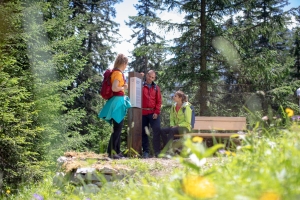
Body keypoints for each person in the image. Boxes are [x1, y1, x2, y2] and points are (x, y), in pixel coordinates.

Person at [98, 53, 131, 159]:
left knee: (118, 127)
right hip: (117, 101)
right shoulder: (118, 73)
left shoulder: (116, 72)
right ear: (124, 63)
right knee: (118, 127)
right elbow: (114, 88)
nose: (126, 66)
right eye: (126, 64)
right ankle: (112, 152)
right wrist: (123, 87)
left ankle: (117, 151)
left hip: (116, 101)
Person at [141, 70, 162, 158]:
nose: (150, 78)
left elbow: (159, 101)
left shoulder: (156, 88)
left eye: (153, 77)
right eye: (149, 76)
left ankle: (157, 152)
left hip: (153, 113)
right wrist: (139, 77)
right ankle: (146, 152)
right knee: (143, 133)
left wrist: (156, 112)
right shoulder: (141, 86)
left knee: (156, 130)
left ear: (154, 78)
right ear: (147, 75)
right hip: (143, 113)